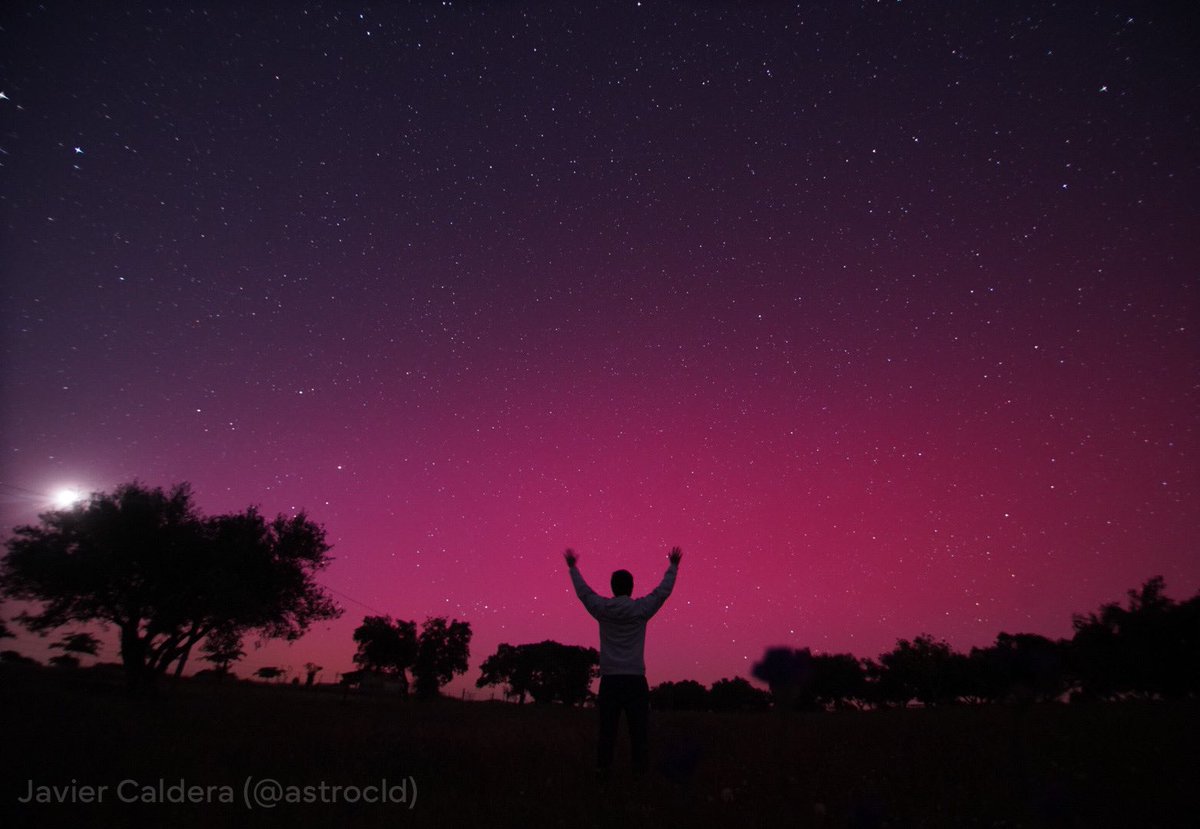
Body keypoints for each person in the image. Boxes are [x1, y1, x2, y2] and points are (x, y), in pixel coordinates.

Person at [564, 546, 682, 778]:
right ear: (631, 587)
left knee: (607, 731)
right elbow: (662, 593)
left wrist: (572, 568)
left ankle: (602, 772)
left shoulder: (603, 609)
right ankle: (639, 774)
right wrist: (673, 566)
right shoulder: (640, 609)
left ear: (613, 587)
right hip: (635, 680)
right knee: (638, 732)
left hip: (610, 680)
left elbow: (584, 593)